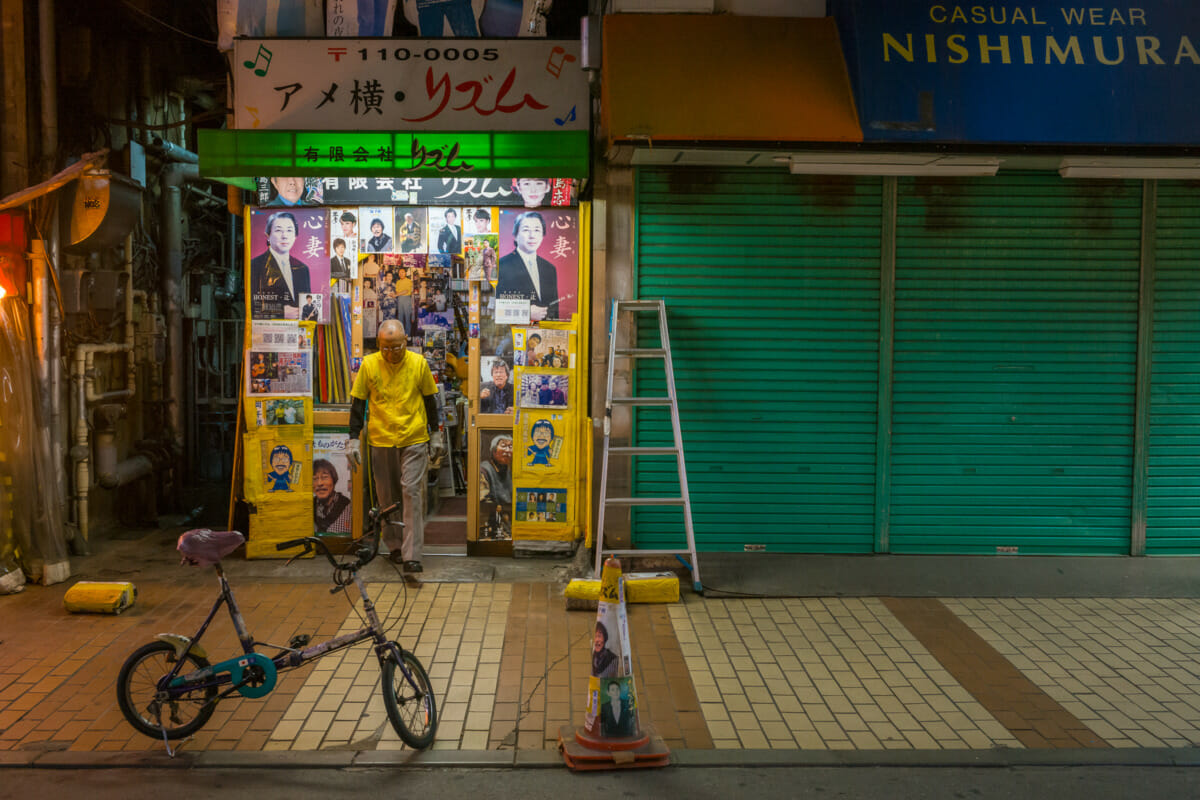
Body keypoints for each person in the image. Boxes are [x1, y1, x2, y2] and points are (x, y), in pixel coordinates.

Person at [348, 319, 444, 573]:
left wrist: (435, 435)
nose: (391, 354)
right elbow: (358, 404)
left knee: (411, 492)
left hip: (413, 436)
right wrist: (353, 439)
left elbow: (430, 401)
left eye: (396, 348)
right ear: (379, 345)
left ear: (405, 343)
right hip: (380, 439)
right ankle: (394, 546)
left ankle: (412, 555)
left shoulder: (418, 363)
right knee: (386, 497)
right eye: (385, 348)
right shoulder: (369, 364)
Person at [496, 211, 558, 321]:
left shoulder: (550, 269)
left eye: (537, 230)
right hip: (513, 334)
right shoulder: (501, 265)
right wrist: (526, 313)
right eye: (526, 230)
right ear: (515, 236)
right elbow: (494, 308)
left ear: (542, 235)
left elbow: (554, 310)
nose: (532, 236)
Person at [249, 211, 311, 318]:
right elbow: (250, 306)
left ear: (295, 236)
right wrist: (281, 312)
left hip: (298, 331)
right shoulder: (254, 265)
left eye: (289, 231)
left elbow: (307, 306)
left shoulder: (302, 269)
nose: (284, 236)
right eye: (278, 230)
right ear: (268, 235)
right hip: (268, 331)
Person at [313, 458, 352, 534]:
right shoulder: (308, 506)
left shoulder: (349, 508)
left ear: (334, 479)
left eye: (325, 477)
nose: (319, 483)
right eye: (314, 479)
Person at [479, 434, 512, 506]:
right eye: (503, 446)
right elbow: (484, 501)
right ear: (493, 451)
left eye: (510, 447)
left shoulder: (508, 469)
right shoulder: (484, 470)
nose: (507, 450)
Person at [393, 267, 414, 335]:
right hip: (399, 299)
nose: (401, 274)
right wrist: (395, 294)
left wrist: (396, 295)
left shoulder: (408, 281)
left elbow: (406, 291)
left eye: (402, 272)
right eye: (399, 273)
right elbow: (397, 291)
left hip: (406, 299)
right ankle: (401, 334)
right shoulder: (398, 282)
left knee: (407, 318)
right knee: (400, 318)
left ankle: (408, 335)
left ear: (405, 273)